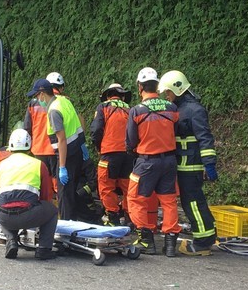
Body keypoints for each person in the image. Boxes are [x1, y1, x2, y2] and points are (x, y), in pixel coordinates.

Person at [158, 70, 218, 256]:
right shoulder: (180, 109)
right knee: (193, 201)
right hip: (183, 164)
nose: (167, 96)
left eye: (168, 92)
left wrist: (209, 163)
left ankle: (202, 243)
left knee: (192, 202)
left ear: (178, 89)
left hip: (191, 165)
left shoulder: (195, 110)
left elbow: (205, 138)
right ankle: (207, 236)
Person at [126, 67, 181, 257]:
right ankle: (171, 243)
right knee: (168, 201)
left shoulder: (137, 111)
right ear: (157, 85)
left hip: (147, 161)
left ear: (140, 87)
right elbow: (176, 129)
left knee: (135, 199)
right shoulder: (171, 108)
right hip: (169, 161)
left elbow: (131, 141)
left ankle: (146, 240)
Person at [27, 78, 89, 221]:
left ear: (43, 94)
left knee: (64, 193)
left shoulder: (53, 110)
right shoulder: (64, 101)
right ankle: (73, 221)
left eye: (37, 96)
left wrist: (62, 167)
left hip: (67, 155)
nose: (38, 99)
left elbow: (61, 140)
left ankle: (66, 226)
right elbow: (77, 126)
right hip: (77, 151)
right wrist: (83, 146)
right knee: (70, 191)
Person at [0, 129, 58, 260]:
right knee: (52, 210)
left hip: (5, 217)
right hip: (29, 216)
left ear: (10, 146)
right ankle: (44, 249)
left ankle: (11, 240)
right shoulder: (39, 164)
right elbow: (46, 197)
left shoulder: (1, 165)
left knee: (2, 210)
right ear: (29, 146)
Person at [90, 83, 134, 226]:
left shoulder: (103, 107)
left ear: (108, 95)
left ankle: (112, 218)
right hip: (128, 155)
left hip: (109, 153)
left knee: (106, 186)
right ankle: (130, 218)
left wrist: (98, 147)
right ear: (122, 96)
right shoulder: (131, 109)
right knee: (128, 187)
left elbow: (96, 130)